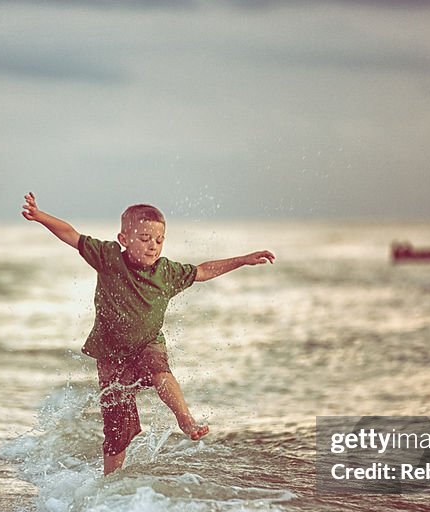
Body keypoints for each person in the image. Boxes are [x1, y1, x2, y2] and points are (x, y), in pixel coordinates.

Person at [21, 193, 275, 474]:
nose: (152, 246)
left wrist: (243, 259)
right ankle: (110, 482)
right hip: (110, 354)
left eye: (158, 240)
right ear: (124, 239)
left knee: (159, 370)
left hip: (148, 343)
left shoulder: (167, 272)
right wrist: (39, 215)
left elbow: (203, 270)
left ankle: (185, 420)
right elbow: (71, 235)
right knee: (118, 427)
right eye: (144, 239)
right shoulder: (108, 258)